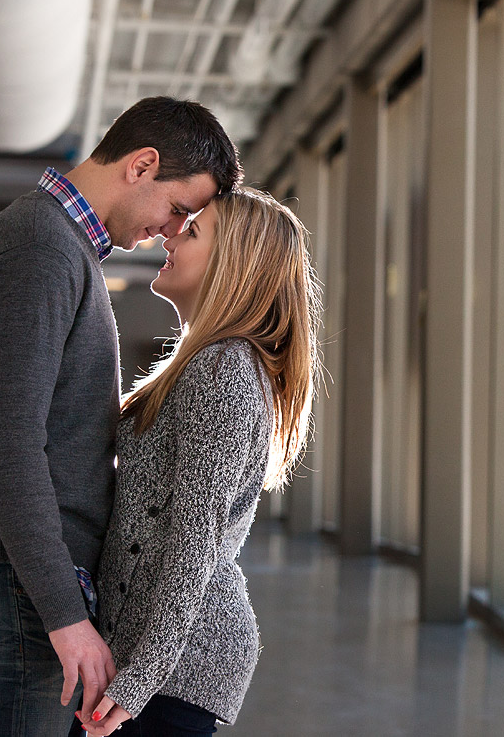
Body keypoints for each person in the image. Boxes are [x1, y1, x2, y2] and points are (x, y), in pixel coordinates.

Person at [0, 96, 241, 736]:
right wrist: (65, 615)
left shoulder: (56, 248)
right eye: (177, 208)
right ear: (142, 165)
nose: (170, 228)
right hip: (18, 583)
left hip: (20, 581)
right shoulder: (43, 248)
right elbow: (6, 448)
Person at [72, 187, 321, 736]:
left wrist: (140, 678)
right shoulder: (203, 362)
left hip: (172, 668)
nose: (170, 233)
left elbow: (193, 542)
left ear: (234, 264)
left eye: (193, 231)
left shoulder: (224, 370)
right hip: (153, 656)